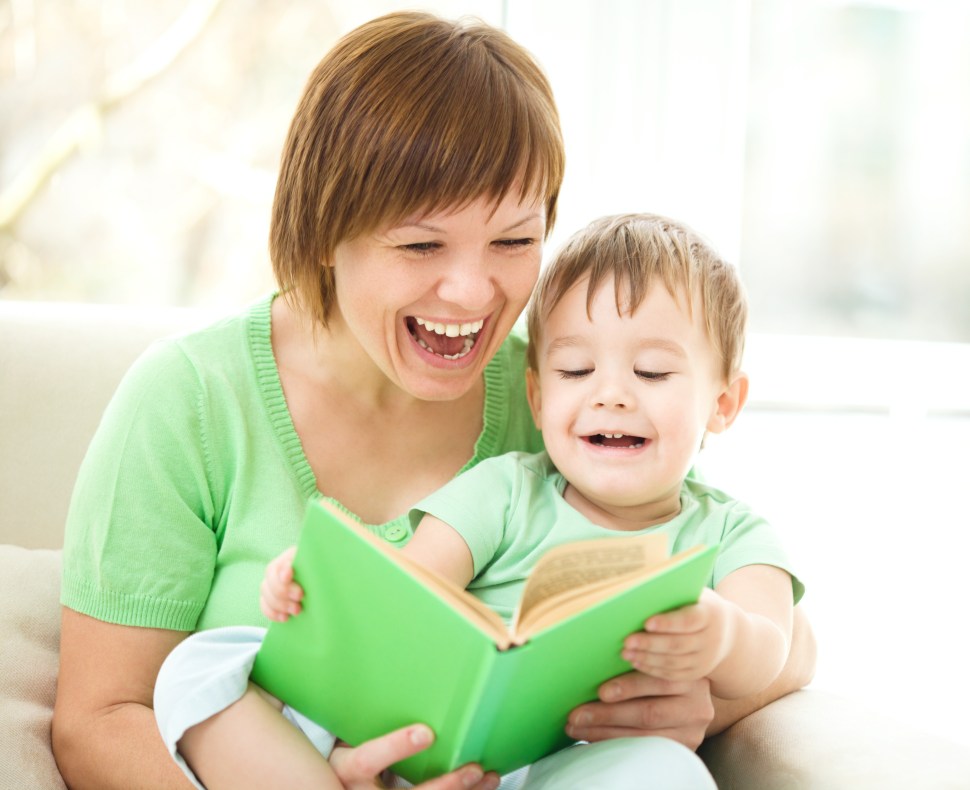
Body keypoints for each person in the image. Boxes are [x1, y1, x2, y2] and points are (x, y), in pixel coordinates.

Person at [51, 11, 815, 790]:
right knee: (207, 668)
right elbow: (98, 718)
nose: (472, 292)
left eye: (514, 242)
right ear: (323, 229)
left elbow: (786, 642)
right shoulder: (192, 398)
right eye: (421, 245)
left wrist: (683, 710)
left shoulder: (566, 400)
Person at [162, 212, 800, 789]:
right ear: (538, 397)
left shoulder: (733, 532)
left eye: (652, 373)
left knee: (667, 772)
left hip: (572, 763)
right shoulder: (506, 487)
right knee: (200, 664)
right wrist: (320, 590)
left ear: (723, 404)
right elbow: (408, 589)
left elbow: (771, 651)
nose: (611, 395)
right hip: (430, 743)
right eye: (576, 371)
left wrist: (721, 637)